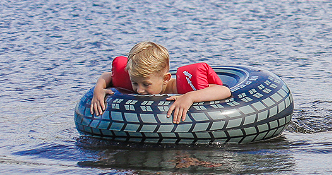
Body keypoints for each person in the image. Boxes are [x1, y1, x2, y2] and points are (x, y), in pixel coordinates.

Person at [90, 41, 232, 122]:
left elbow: (224, 90)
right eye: (135, 83)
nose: (139, 90)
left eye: (146, 84)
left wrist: (190, 97)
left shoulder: (181, 87)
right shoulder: (138, 78)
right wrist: (99, 89)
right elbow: (107, 75)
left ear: (165, 79)